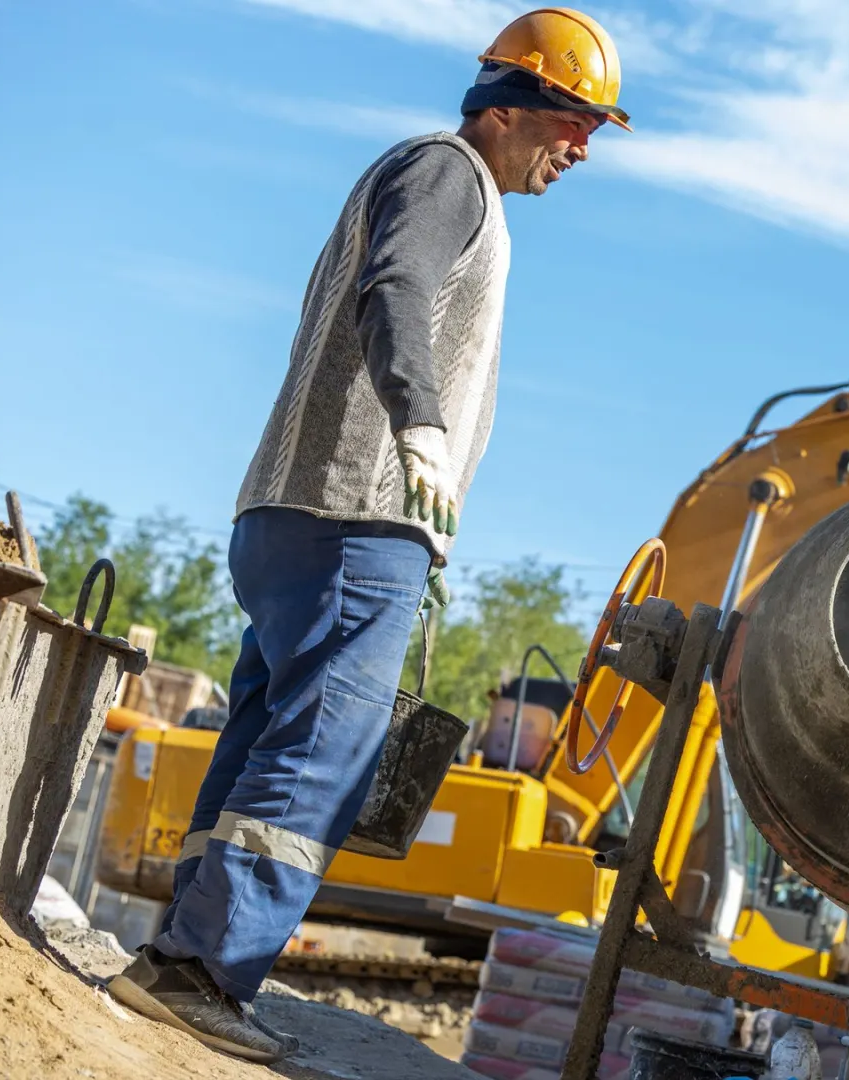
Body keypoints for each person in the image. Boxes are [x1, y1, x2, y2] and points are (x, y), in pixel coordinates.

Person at [107, 8, 632, 1062]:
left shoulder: (430, 177)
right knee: (325, 757)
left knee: (263, 737)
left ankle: (179, 951)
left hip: (292, 514)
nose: (580, 150)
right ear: (516, 107)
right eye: (574, 123)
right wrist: (423, 424)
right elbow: (395, 288)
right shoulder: (450, 176)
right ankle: (201, 969)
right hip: (357, 516)